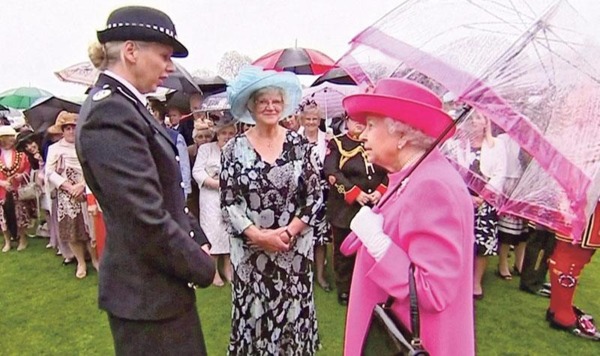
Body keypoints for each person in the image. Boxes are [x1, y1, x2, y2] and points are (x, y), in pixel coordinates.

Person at [76, 6, 215, 355]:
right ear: (131, 51)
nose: (170, 67)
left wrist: (196, 235)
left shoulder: (127, 106)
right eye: (165, 56)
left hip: (158, 290)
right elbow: (143, 218)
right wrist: (202, 266)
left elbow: (167, 191)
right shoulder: (110, 112)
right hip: (145, 297)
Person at [340, 79, 475, 355]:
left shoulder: (432, 185)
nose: (361, 135)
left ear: (402, 134)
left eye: (371, 125)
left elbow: (432, 290)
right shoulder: (413, 176)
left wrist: (378, 243)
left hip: (411, 340)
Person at [221, 65, 322, 355]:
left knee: (292, 316)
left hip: (294, 253)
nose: (270, 106)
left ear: (284, 105)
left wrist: (288, 232)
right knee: (254, 316)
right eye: (263, 101)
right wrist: (260, 236)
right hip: (251, 255)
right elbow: (229, 202)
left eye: (276, 101)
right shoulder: (233, 150)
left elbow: (314, 197)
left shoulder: (300, 145)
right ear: (250, 106)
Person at [323, 114, 388, 305]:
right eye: (354, 120)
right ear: (347, 121)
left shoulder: (378, 141)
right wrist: (353, 193)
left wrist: (381, 191)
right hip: (346, 208)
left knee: (373, 249)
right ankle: (345, 288)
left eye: (364, 120)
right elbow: (331, 173)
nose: (359, 124)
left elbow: (390, 170)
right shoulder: (337, 143)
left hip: (375, 207)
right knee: (344, 251)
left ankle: (371, 287)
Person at [445, 111, 507, 299]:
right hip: (459, 198)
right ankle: (455, 279)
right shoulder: (455, 145)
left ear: (486, 122)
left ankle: (475, 282)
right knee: (456, 239)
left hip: (484, 201)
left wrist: (483, 196)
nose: (474, 122)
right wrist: (465, 195)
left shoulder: (497, 145)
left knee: (481, 242)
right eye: (471, 118)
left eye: (479, 118)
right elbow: (449, 170)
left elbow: (500, 173)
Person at [45, 112, 97, 278]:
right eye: (67, 128)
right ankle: (81, 262)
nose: (71, 131)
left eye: (74, 128)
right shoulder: (54, 149)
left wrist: (82, 185)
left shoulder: (86, 145)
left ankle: (96, 260)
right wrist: (68, 186)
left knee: (90, 230)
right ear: (62, 130)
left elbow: (94, 168)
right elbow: (49, 172)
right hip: (66, 197)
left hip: (86, 192)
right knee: (72, 231)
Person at [546, 202, 600, 340]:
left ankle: (557, 308)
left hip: (578, 200)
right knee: (573, 256)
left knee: (567, 253)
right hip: (586, 202)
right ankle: (562, 314)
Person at [192, 116, 236, 286]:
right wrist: (215, 183)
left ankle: (227, 269)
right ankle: (213, 272)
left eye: (230, 133)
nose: (227, 136)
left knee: (229, 232)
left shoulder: (237, 149)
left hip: (231, 197)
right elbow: (197, 172)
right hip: (210, 197)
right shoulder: (206, 149)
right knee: (212, 232)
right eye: (224, 133)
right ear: (217, 134)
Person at [298, 103, 332, 292]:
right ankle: (304, 275)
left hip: (323, 195)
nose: (311, 122)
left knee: (320, 239)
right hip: (302, 196)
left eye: (315, 119)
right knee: (302, 235)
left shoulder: (327, 139)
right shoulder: (295, 138)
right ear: (302, 120)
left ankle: (320, 275)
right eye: (308, 119)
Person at [0, 125, 32, 252]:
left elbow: (27, 169)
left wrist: (21, 175)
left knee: (19, 214)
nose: (11, 140)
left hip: (17, 189)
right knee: (3, 217)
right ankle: (7, 241)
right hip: (2, 191)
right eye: (8, 138)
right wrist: (2, 183)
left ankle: (22, 239)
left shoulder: (21, 154)